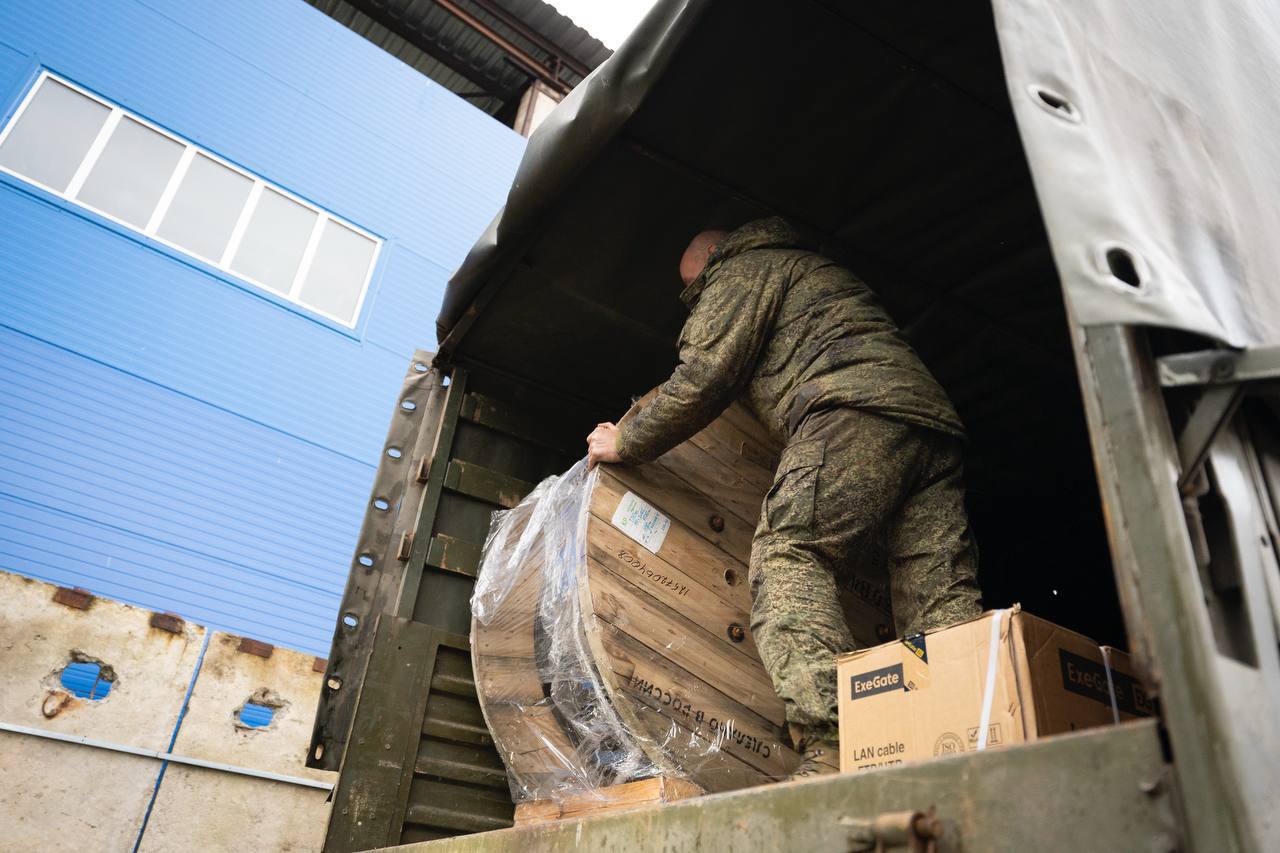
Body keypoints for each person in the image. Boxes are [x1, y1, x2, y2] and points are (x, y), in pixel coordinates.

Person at [585, 217, 982, 778]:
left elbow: (704, 376)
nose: (692, 299)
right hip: (931, 426)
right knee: (936, 594)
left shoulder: (743, 270)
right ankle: (972, 732)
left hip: (850, 409)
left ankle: (839, 741)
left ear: (714, 256)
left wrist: (628, 440)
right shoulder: (807, 269)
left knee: (789, 554)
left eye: (693, 287)